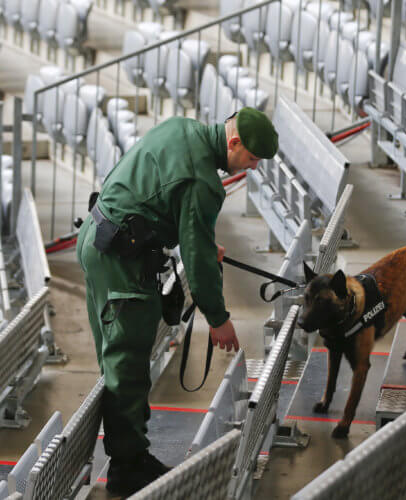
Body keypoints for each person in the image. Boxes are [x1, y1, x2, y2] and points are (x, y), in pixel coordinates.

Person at [75, 107, 279, 496]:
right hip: (121, 262)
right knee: (128, 366)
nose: (251, 168)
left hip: (99, 237)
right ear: (233, 143)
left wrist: (196, 237)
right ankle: (127, 469)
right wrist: (218, 319)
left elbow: (163, 201)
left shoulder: (183, 128)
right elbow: (199, 262)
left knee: (120, 360)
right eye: (251, 159)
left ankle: (132, 453)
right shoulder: (201, 179)